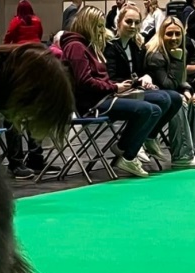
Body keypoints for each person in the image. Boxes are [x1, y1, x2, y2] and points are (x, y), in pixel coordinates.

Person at [61, 5, 162, 177]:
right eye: (99, 26)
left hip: (104, 97)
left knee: (155, 109)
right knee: (146, 109)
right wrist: (115, 87)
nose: (102, 30)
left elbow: (98, 78)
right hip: (92, 104)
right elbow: (84, 82)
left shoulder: (88, 46)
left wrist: (120, 86)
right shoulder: (76, 46)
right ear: (88, 24)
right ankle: (128, 155)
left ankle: (124, 148)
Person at [104, 4, 181, 164]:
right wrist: (138, 81)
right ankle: (127, 147)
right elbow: (111, 78)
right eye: (129, 22)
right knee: (162, 99)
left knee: (175, 98)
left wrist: (147, 77)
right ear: (118, 22)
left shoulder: (137, 46)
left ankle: (149, 136)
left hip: (134, 90)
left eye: (137, 22)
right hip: (117, 93)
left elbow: (144, 71)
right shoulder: (110, 47)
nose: (133, 26)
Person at [145, 16, 195, 168]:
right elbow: (167, 84)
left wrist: (188, 89)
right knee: (179, 101)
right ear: (162, 34)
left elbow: (181, 79)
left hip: (169, 91)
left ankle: (194, 152)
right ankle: (181, 155)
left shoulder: (181, 50)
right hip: (155, 95)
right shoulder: (156, 55)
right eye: (169, 34)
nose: (174, 38)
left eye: (177, 34)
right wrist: (176, 60)